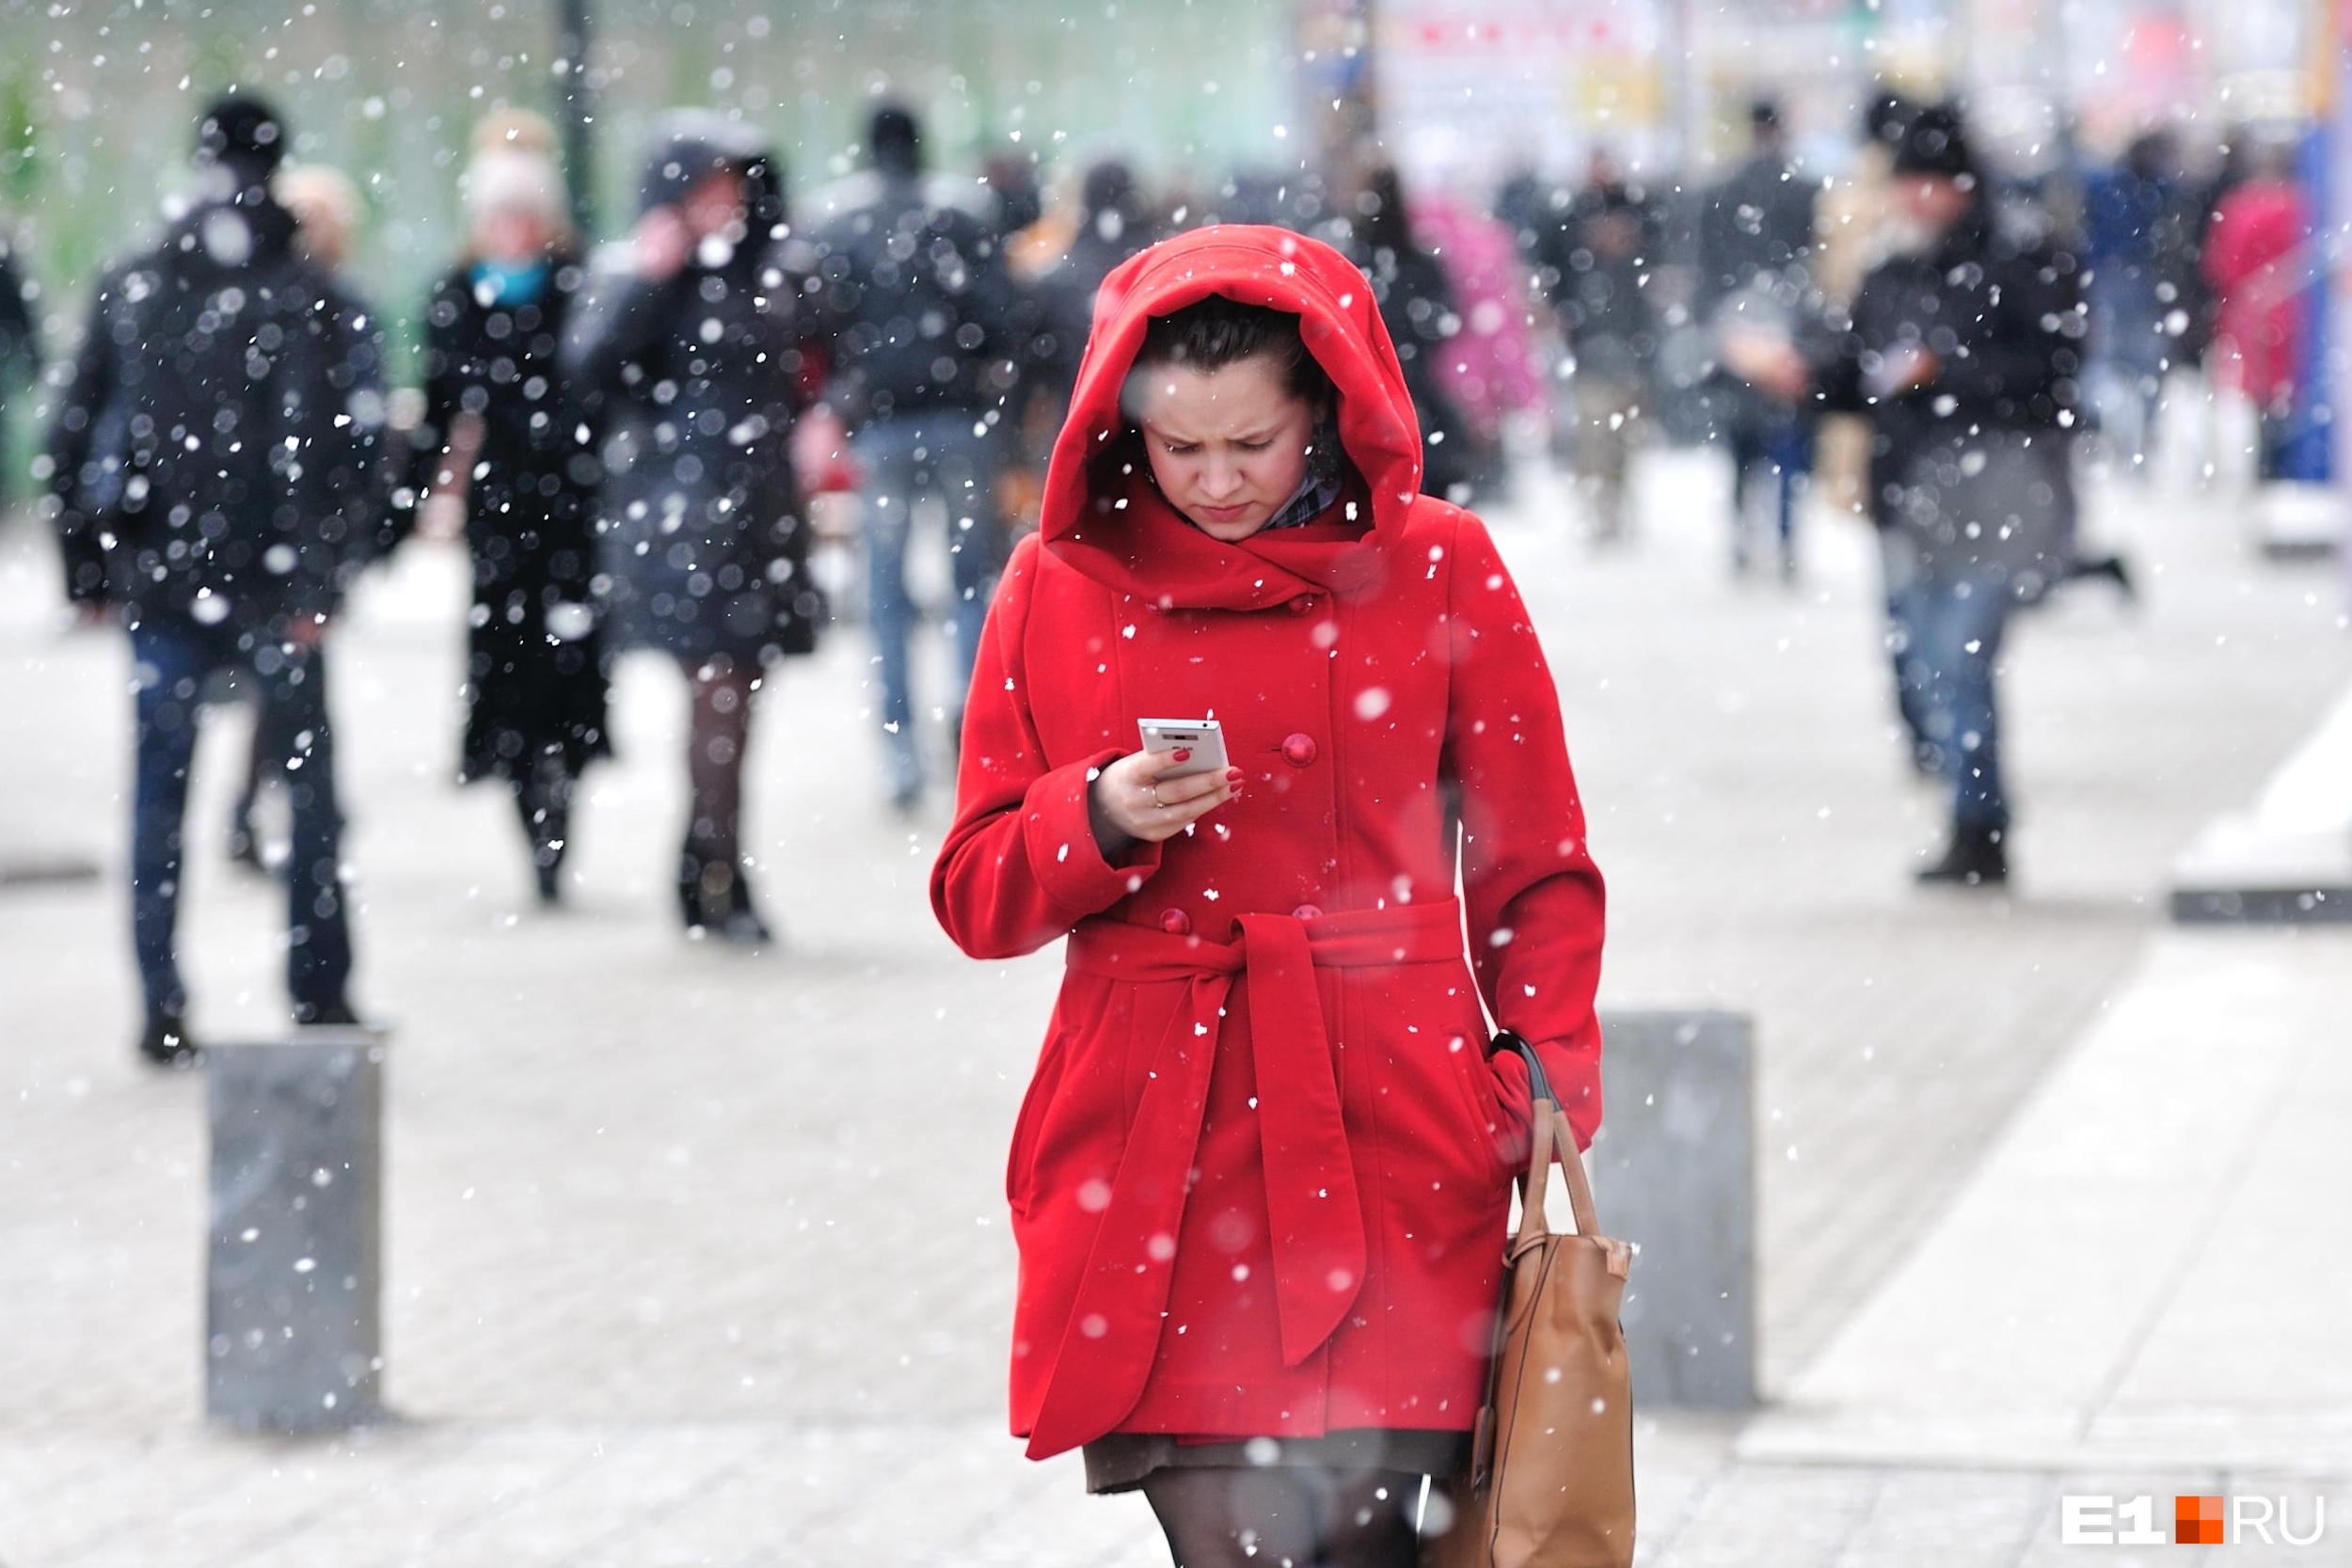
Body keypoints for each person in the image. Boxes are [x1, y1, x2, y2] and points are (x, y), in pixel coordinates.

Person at [930, 228, 1607, 1565]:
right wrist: (1097, 815)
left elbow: (1534, 863)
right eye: (1180, 446)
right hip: (1158, 1140)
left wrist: (1535, 1082)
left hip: (1396, 1124)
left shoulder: (1438, 562)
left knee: (1367, 1537)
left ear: (1329, 412)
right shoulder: (1055, 581)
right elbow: (974, 891)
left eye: (1253, 441)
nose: (1217, 479)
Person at [47, 92, 386, 1063]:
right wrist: (320, 581)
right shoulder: (307, 291)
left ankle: (160, 1001)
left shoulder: (138, 278)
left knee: (160, 793)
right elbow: (349, 452)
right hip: (274, 583)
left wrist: (89, 568)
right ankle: (317, 989)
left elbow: (71, 430)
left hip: (163, 573)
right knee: (306, 794)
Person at [1807, 103, 2084, 887]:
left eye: (1930, 183)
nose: (1916, 199)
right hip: (1911, 491)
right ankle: (1972, 809)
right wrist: (1801, 379)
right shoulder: (1891, 266)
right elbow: (1857, 374)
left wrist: (1945, 372)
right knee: (1926, 662)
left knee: (1960, 656)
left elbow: (2053, 370)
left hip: (1997, 488)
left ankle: (1979, 822)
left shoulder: (2021, 256)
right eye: (1907, 184)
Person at [564, 112, 819, 943]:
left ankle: (703, 860)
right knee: (720, 695)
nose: (726, 200)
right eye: (710, 184)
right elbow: (589, 370)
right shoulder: (637, 270)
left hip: (760, 517)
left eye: (734, 184)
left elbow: (823, 361)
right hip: (680, 521)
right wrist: (650, 274)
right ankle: (720, 870)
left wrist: (826, 417)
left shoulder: (771, 270)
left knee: (738, 698)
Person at [410, 116, 610, 905]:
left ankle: (560, 803)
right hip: (500, 513)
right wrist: (408, 502)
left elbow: (605, 385)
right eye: (501, 213)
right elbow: (440, 406)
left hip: (573, 507)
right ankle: (530, 805)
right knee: (508, 664)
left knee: (570, 663)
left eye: (525, 212)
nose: (513, 228)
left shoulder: (577, 283)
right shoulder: (458, 294)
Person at [804, 104, 1023, 811]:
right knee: (970, 581)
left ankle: (898, 747)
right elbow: (1001, 316)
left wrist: (847, 394)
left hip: (880, 423)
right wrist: (982, 374)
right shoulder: (962, 212)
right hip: (959, 416)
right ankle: (971, 722)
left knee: (885, 591)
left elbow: (819, 325)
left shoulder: (837, 220)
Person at [224, 161, 375, 873]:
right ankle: (290, 810)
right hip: (288, 526)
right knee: (289, 676)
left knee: (285, 674)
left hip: (300, 523)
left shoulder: (329, 307)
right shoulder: (299, 306)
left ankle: (274, 808)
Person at [1700, 100, 1821, 579]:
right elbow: (1816, 265)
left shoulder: (1722, 191)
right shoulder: (1805, 191)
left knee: (1741, 452)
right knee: (1786, 450)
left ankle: (1743, 541)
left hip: (1736, 332)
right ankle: (1785, 542)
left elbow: (1707, 268)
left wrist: (1722, 328)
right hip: (1789, 337)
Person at [1532, 150, 1660, 543]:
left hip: (1629, 344)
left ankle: (1615, 503)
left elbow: (1658, 266)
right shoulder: (1569, 218)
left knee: (1623, 437)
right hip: (1590, 346)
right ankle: (1601, 508)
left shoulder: (1638, 211)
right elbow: (1552, 271)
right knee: (1596, 434)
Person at [1349, 163, 1490, 504]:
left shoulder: (1355, 261)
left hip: (1382, 390)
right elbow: (1445, 320)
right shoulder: (1417, 260)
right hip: (1418, 390)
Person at [2201, 139, 2314, 483]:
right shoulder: (2304, 204)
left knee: (2261, 393)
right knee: (2296, 390)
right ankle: (2292, 465)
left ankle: (2268, 464)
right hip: (2299, 309)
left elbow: (2222, 265)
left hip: (2252, 312)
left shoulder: (2239, 206)